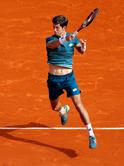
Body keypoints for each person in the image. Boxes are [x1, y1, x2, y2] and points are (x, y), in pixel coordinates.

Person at [45, 15, 97, 149]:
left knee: (79, 105)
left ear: (64, 28)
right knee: (54, 107)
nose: (54, 29)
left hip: (69, 78)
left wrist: (83, 47)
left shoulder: (73, 39)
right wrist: (63, 39)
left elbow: (80, 50)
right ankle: (63, 110)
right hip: (53, 80)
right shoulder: (50, 39)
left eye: (57, 27)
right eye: (53, 27)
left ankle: (91, 134)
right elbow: (53, 45)